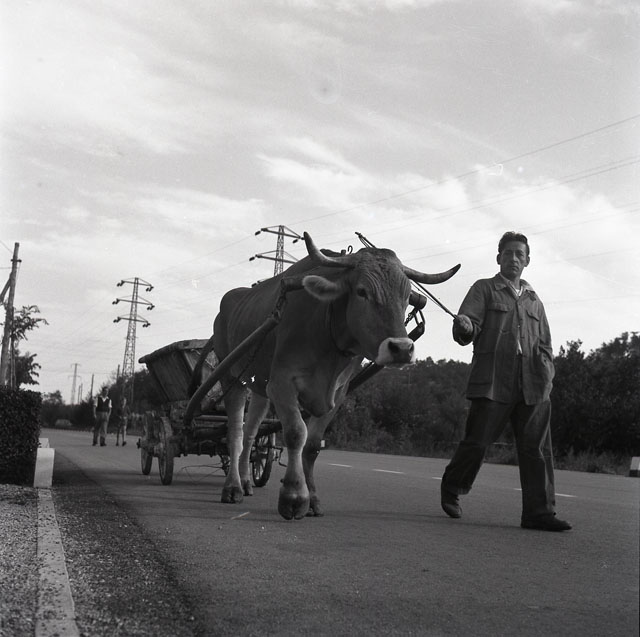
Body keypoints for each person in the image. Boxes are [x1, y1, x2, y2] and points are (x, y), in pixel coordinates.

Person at [440, 231, 571, 532]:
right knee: (477, 442)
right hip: (493, 378)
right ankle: (452, 487)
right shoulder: (483, 289)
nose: (513, 258)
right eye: (508, 253)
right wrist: (465, 327)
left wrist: (547, 375)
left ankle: (539, 513)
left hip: (534, 382)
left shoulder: (534, 300)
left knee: (537, 449)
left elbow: (546, 344)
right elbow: (467, 327)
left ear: (527, 260)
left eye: (519, 254)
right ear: (498, 258)